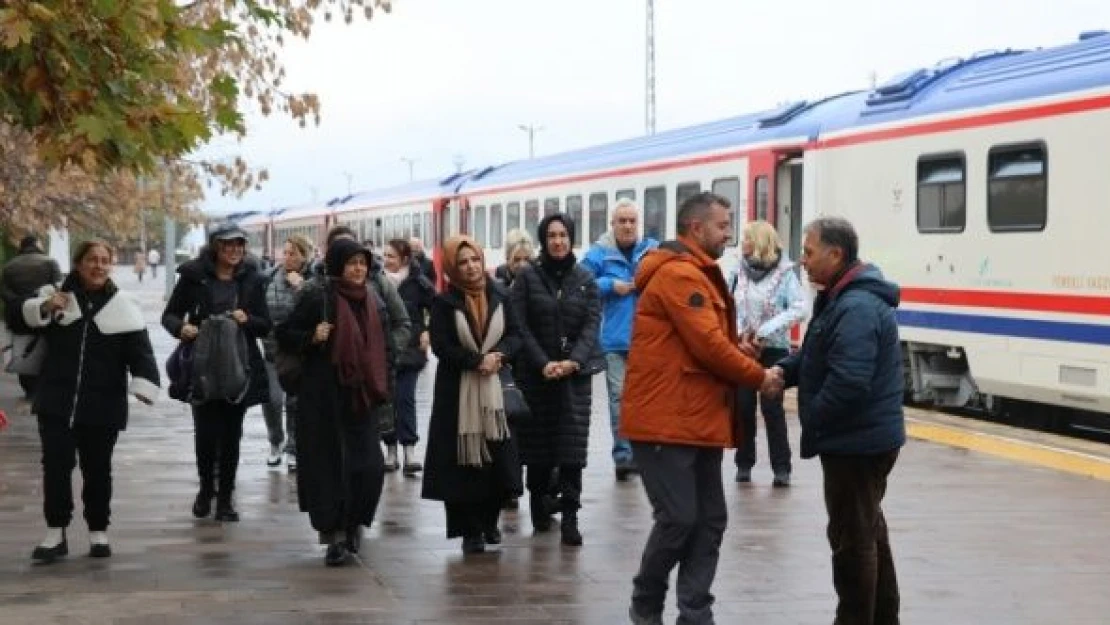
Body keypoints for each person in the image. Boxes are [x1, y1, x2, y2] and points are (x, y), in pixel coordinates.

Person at [621, 191, 779, 625]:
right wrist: (757, 375)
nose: (730, 236)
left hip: (696, 418)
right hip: (665, 422)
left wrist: (737, 348)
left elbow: (705, 341)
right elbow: (707, 346)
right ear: (696, 228)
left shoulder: (699, 272)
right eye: (723, 226)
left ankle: (695, 612)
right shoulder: (680, 276)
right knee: (678, 519)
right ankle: (645, 603)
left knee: (709, 520)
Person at [769, 216, 905, 625]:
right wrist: (785, 371)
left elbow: (849, 380)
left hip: (856, 443)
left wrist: (813, 417)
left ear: (836, 254)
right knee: (868, 531)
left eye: (809, 252)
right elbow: (819, 355)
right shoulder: (844, 297)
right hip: (861, 438)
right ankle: (883, 617)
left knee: (852, 542)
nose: (803, 261)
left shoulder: (856, 306)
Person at [19, 240, 160, 563]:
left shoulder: (124, 305)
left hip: (103, 404)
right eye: (91, 260)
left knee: (97, 469)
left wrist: (144, 384)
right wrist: (43, 307)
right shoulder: (55, 297)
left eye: (104, 260)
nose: (99, 266)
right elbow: (19, 316)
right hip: (56, 400)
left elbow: (141, 352)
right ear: (78, 264)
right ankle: (56, 531)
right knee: (55, 466)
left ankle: (98, 530)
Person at [276, 238, 391, 566]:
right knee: (330, 470)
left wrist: (386, 392)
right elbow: (283, 332)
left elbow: (386, 351)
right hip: (323, 399)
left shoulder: (373, 299)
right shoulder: (317, 294)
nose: (358, 269)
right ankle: (336, 537)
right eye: (352, 262)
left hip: (361, 398)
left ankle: (355, 522)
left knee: (368, 467)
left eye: (363, 262)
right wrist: (311, 337)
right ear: (338, 264)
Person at [161, 224, 271, 523]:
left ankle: (225, 498)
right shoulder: (194, 278)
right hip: (202, 364)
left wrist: (248, 320)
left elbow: (265, 324)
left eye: (239, 245)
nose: (234, 251)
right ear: (215, 248)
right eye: (227, 245)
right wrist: (181, 328)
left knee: (232, 433)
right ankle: (206, 488)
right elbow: (169, 315)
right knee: (206, 432)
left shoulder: (252, 280)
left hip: (239, 363)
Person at [421, 235, 523, 554]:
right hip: (458, 394)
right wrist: (476, 360)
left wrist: (498, 356)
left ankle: (489, 523)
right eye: (462, 262)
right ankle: (469, 531)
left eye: (474, 260)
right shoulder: (444, 302)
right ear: (452, 267)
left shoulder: (502, 295)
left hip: (493, 390)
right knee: (463, 463)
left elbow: (516, 335)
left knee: (495, 459)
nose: (470, 267)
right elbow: (442, 346)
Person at [510, 214, 603, 547]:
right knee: (538, 449)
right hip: (537, 379)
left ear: (571, 238)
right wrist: (542, 363)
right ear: (543, 240)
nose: (558, 241)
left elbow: (592, 326)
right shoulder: (527, 278)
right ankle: (538, 507)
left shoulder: (585, 280)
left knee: (571, 450)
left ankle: (571, 517)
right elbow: (520, 325)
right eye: (551, 235)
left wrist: (573, 362)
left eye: (563, 235)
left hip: (573, 379)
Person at [580, 198, 658, 481]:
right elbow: (581, 282)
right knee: (619, 399)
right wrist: (611, 285)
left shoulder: (652, 250)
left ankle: (645, 453)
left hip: (649, 339)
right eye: (621, 221)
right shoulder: (600, 253)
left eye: (631, 221)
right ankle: (624, 456)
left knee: (646, 400)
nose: (627, 226)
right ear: (612, 225)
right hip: (615, 341)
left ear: (638, 224)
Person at [729, 220, 807, 486]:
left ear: (761, 241)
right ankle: (744, 463)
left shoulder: (785, 273)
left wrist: (765, 330)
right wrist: (741, 333)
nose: (743, 244)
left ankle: (781, 467)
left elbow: (799, 308)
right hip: (744, 347)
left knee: (772, 408)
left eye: (748, 238)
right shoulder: (738, 271)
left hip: (773, 348)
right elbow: (730, 305)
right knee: (744, 406)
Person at [381, 238, 436, 475]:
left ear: (404, 259)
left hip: (411, 350)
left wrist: (427, 331)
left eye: (391, 256)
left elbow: (437, 309)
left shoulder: (419, 283)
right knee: (386, 400)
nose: (386, 260)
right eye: (384, 256)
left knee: (405, 398)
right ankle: (390, 449)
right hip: (384, 350)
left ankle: (410, 449)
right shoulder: (377, 282)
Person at [261, 235, 312, 470]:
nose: (288, 258)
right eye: (286, 252)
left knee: (296, 402)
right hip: (272, 351)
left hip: (299, 352)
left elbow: (313, 308)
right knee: (272, 399)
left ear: (304, 256)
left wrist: (300, 287)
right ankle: (275, 440)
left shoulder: (311, 279)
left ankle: (294, 447)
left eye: (294, 253)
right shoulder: (269, 278)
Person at [0, 234, 63, 399]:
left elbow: (4, 292)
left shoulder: (9, 266)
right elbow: (58, 287)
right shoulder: (50, 262)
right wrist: (40, 300)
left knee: (23, 349)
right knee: (47, 347)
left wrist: (20, 303)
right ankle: (44, 385)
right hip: (45, 312)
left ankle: (29, 388)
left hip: (19, 315)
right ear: (37, 244)